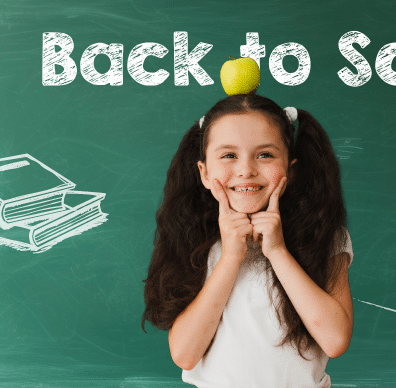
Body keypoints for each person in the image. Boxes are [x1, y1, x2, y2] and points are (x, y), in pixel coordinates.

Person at [142, 93, 353, 387]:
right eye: (228, 155)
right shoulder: (194, 241)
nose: (245, 170)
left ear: (290, 169)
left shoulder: (326, 237)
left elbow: (335, 340)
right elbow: (185, 354)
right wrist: (230, 257)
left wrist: (278, 251)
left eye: (265, 154)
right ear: (203, 172)